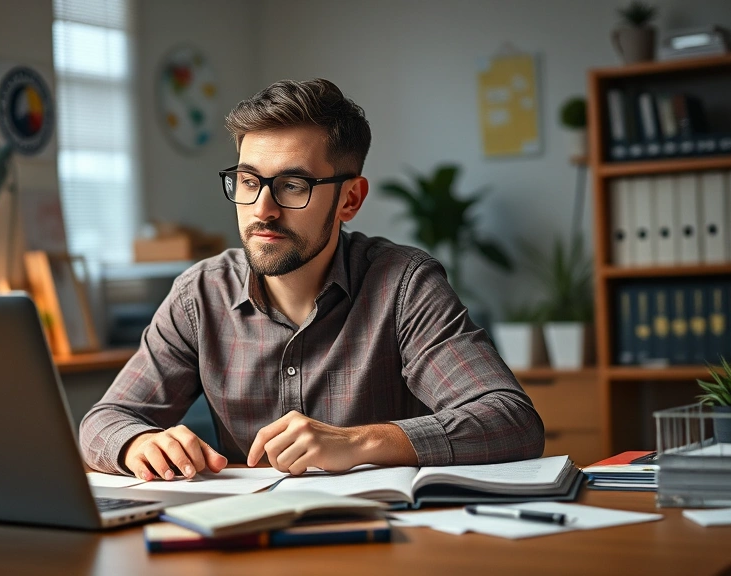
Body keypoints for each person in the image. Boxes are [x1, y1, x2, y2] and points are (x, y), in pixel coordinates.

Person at [80, 78, 544, 481]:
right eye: (248, 180)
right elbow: (104, 421)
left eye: (293, 185)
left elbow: (510, 419)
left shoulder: (404, 286)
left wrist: (359, 443)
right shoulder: (198, 296)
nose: (263, 209)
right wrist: (135, 443)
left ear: (349, 200)